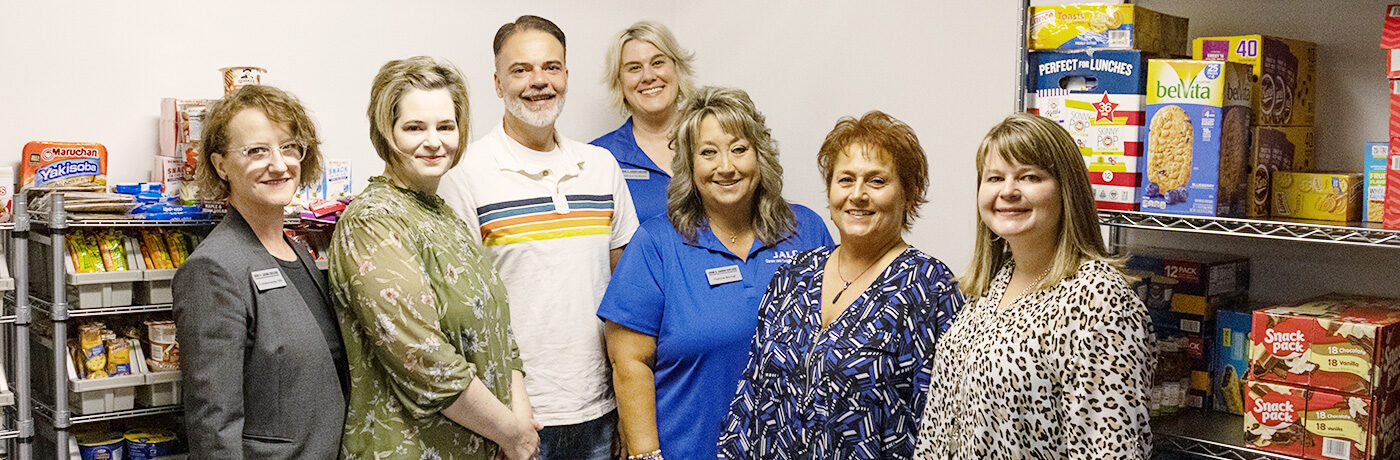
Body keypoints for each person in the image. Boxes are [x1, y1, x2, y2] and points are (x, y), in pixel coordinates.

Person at [438, 15, 638, 460]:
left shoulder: (601, 166)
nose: (538, 82)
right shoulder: (464, 175)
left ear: (566, 75)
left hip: (599, 409)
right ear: (497, 82)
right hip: (515, 417)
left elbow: (627, 292)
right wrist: (504, 423)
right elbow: (460, 311)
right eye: (521, 69)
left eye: (551, 67)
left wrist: (628, 402)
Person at [598, 86, 833, 460]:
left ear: (761, 156)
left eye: (739, 149)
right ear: (689, 166)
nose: (726, 166)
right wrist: (645, 454)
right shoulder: (657, 243)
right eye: (708, 153)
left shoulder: (806, 229)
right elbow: (629, 362)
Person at [716, 111, 964, 459]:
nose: (858, 195)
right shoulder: (794, 276)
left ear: (909, 195)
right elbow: (750, 398)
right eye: (845, 180)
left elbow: (944, 424)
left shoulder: (929, 288)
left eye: (877, 182)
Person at [327, 56, 539, 460]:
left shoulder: (444, 214)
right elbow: (424, 358)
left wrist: (519, 421)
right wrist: (512, 432)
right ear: (386, 133)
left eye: (446, 126)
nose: (434, 141)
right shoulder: (372, 221)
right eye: (414, 127)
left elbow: (498, 329)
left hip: (484, 443)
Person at [914, 113, 1154, 458]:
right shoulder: (990, 286)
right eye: (995, 177)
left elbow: (1110, 448)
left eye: (1029, 177)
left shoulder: (1098, 299)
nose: (1008, 191)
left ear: (1066, 190)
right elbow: (939, 428)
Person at [174, 84, 346, 458]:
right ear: (221, 165)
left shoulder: (297, 251)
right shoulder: (213, 268)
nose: (279, 164)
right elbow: (213, 422)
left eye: (288, 147)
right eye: (256, 151)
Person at [591, 20, 696, 222]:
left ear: (677, 69)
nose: (648, 76)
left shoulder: (713, 139)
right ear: (619, 82)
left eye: (657, 62)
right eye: (634, 68)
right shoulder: (599, 159)